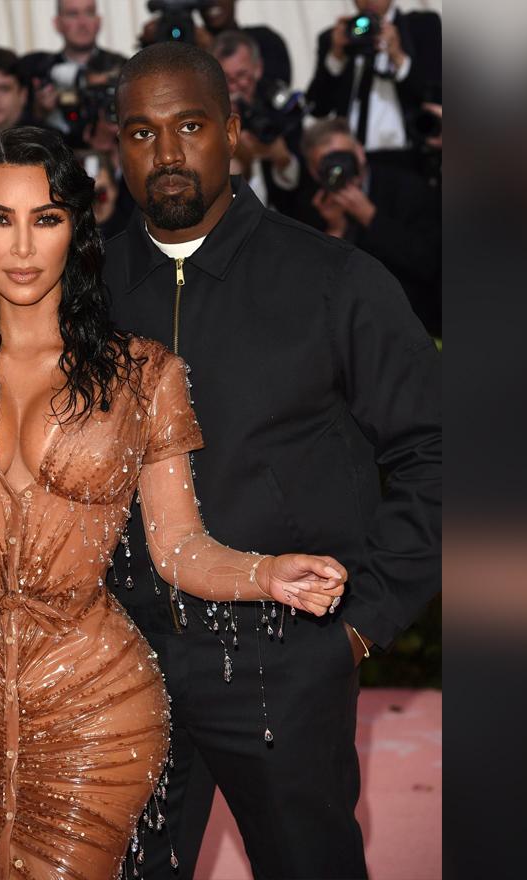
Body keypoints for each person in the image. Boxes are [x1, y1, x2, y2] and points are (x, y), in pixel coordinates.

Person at [0, 126, 349, 879]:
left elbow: (177, 547)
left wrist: (266, 575)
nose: (24, 245)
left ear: (78, 226)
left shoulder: (145, 375)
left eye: (47, 217)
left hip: (94, 699)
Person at [104, 42, 441, 879]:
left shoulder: (336, 280)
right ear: (116, 145)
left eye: (190, 125)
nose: (168, 153)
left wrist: (363, 619)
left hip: (284, 659)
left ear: (233, 130)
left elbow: (440, 451)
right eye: (142, 133)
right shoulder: (88, 289)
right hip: (124, 662)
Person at [298, 118, 441, 336]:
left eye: (344, 158)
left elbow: (427, 262)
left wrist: (370, 217)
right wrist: (336, 229)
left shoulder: (407, 188)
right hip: (349, 330)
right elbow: (315, 291)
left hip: (414, 321)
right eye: (327, 166)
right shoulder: (313, 205)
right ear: (314, 172)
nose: (339, 170)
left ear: (361, 153)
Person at [307, 0, 442, 175]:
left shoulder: (420, 26)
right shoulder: (337, 37)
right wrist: (335, 58)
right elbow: (317, 108)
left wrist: (398, 57)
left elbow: (436, 96)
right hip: (353, 163)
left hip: (410, 158)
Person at [210, 29, 301, 212]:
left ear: (258, 69)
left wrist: (281, 158)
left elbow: (300, 185)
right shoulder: (206, 120)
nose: (235, 86)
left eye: (242, 75)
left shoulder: (279, 110)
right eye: (227, 79)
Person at [21, 0, 128, 136]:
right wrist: (39, 113)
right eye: (73, 14)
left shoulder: (123, 67)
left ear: (98, 21)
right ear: (57, 23)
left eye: (89, 13)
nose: (82, 23)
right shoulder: (38, 70)